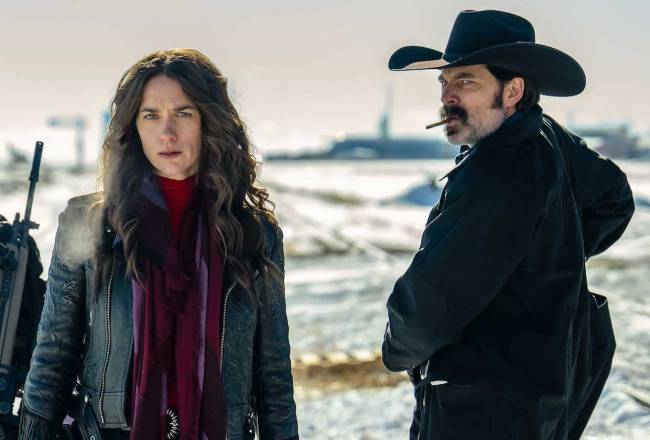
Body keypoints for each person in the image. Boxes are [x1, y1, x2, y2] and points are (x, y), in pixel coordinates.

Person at [19, 49, 298, 440]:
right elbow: (52, 358)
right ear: (133, 127)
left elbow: (273, 377)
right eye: (151, 115)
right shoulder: (88, 224)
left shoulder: (253, 235)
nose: (167, 133)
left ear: (208, 122)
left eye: (183, 113)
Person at [382, 10, 635, 440]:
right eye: (445, 82)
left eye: (466, 81)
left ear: (513, 90)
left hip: (485, 410)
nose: (447, 96)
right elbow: (612, 197)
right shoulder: (542, 136)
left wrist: (396, 346)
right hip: (539, 398)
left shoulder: (497, 172)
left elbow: (428, 306)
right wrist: (539, 263)